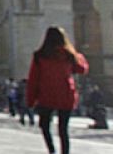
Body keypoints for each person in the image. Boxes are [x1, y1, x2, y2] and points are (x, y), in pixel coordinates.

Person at [26, 26, 87, 154]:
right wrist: (78, 55)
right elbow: (82, 69)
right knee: (63, 129)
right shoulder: (69, 55)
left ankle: (51, 150)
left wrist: (30, 100)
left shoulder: (40, 56)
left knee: (44, 125)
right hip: (66, 94)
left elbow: (33, 80)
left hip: (47, 95)